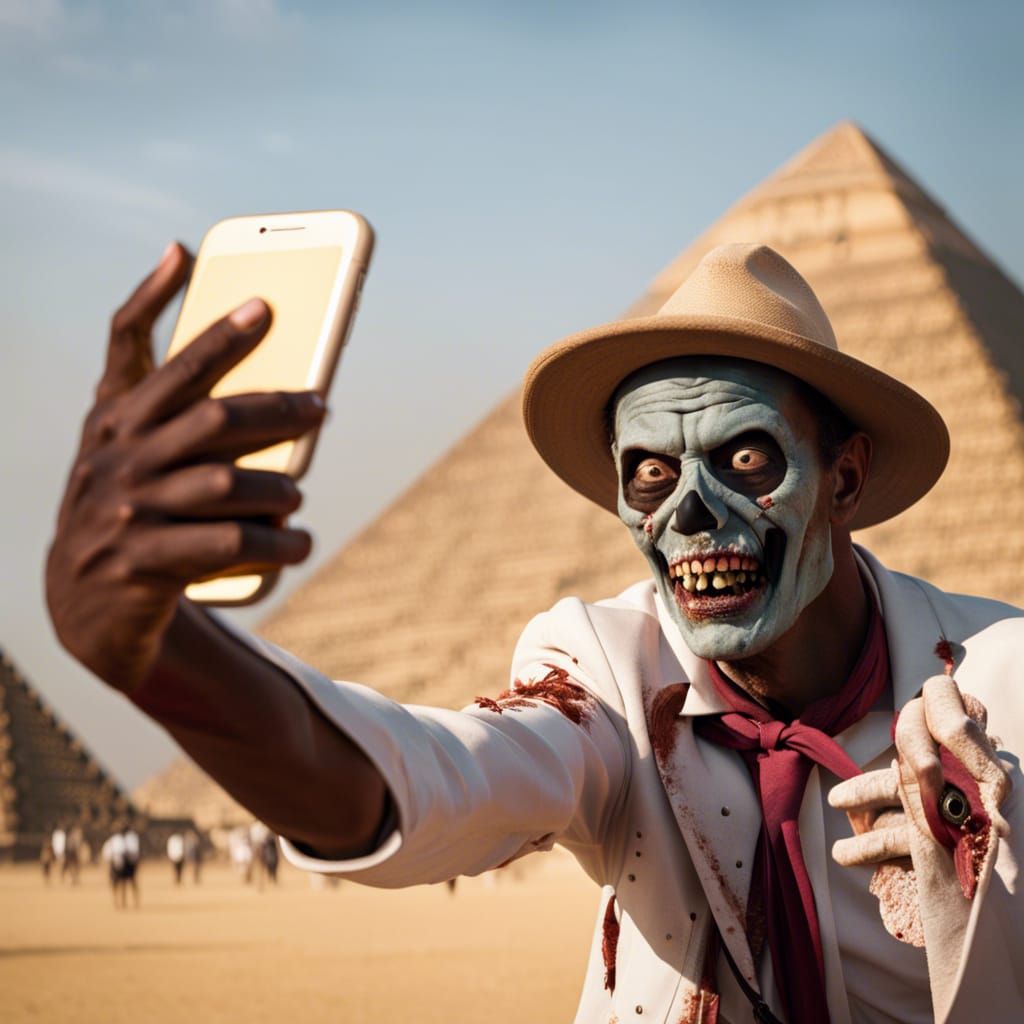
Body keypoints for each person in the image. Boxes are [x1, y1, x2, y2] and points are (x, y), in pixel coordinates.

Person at [45, 242, 1021, 1022]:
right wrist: (166, 658)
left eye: (746, 454)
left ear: (844, 478)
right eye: (647, 472)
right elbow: (433, 778)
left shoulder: (1004, 684)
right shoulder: (606, 672)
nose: (687, 511)